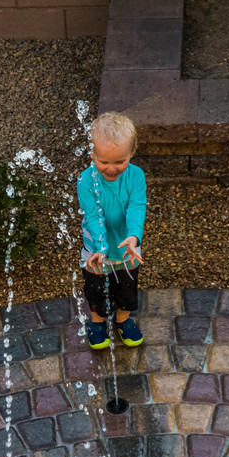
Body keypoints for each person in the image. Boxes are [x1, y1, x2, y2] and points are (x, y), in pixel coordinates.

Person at [77, 112, 147, 350]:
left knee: (127, 286)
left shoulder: (136, 176)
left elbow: (136, 207)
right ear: (92, 153)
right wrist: (101, 248)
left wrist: (134, 236)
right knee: (97, 287)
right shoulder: (85, 180)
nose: (111, 169)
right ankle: (97, 322)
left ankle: (123, 320)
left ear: (132, 153)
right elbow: (93, 216)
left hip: (127, 246)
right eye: (103, 162)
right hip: (97, 250)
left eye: (120, 162)